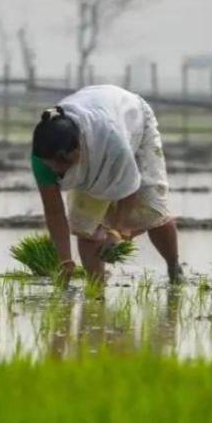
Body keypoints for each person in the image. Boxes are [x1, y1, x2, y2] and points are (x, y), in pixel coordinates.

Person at [30, 84, 182, 283]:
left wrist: (116, 231)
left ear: (79, 149)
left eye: (62, 166)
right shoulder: (42, 160)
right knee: (85, 225)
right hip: (102, 115)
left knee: (151, 212)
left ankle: (173, 266)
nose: (57, 173)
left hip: (134, 123)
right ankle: (96, 287)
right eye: (52, 167)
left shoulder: (113, 142)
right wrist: (64, 260)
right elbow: (53, 210)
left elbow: (130, 189)